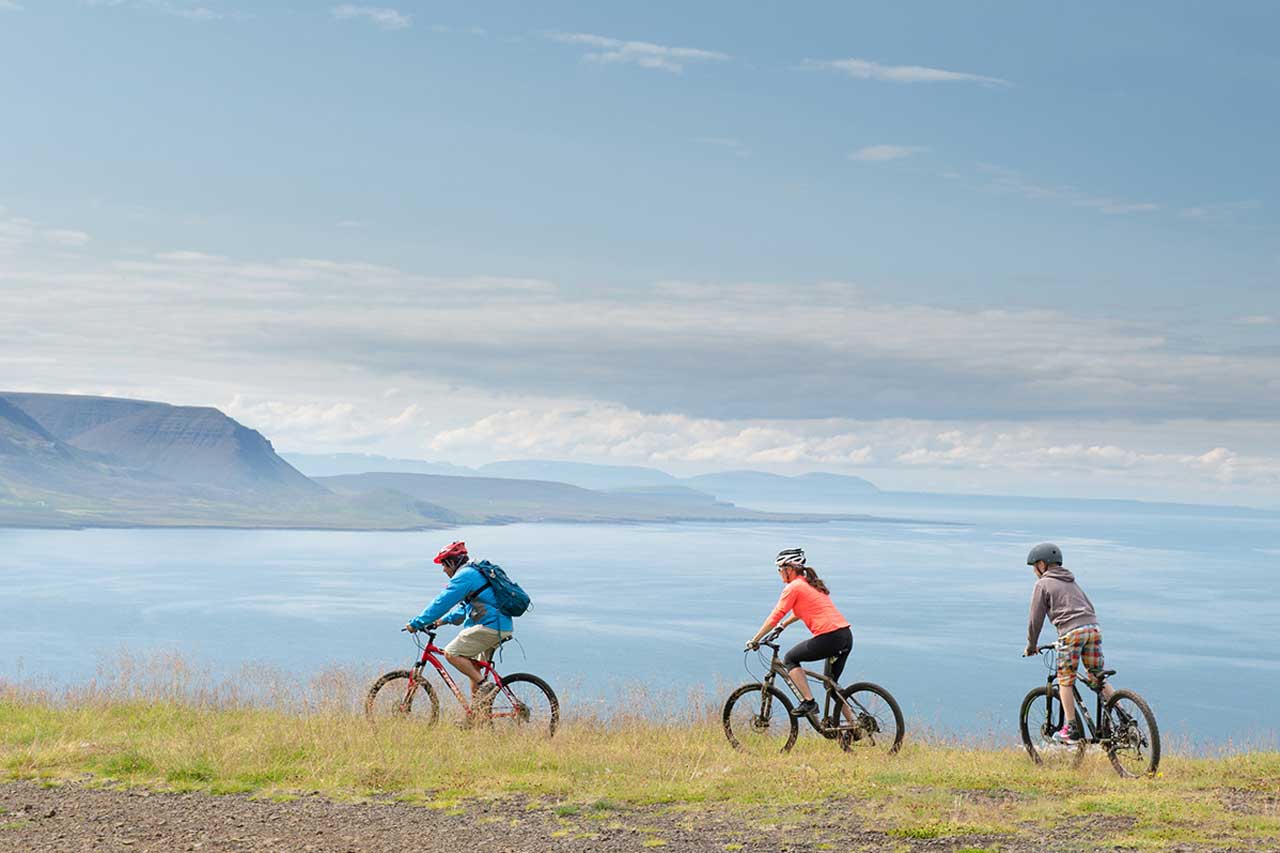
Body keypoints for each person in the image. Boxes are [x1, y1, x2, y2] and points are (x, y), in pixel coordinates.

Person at [744, 548, 853, 718]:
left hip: (830, 637)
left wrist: (755, 639)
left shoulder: (794, 587)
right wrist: (784, 625)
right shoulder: (809, 584)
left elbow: (775, 615)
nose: (779, 573)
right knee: (831, 686)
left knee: (790, 659)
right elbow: (802, 610)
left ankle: (809, 702)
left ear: (790, 569)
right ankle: (856, 726)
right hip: (844, 636)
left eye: (780, 569)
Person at [1023, 542, 1111, 745]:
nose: (1034, 571)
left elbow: (1035, 620)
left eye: (1034, 566)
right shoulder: (1071, 581)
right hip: (1093, 629)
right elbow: (1088, 606)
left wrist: (1031, 645)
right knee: (1097, 677)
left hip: (1071, 633)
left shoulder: (1042, 584)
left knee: (1065, 680)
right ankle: (1121, 713)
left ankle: (1071, 727)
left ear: (1042, 564)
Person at [406, 541, 513, 704]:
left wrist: (417, 623)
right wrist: (440, 622)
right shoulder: (473, 573)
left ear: (451, 562)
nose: (443, 570)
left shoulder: (464, 576)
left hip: (490, 626)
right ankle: (477, 718)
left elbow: (441, 602)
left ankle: (486, 685)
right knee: (473, 669)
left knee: (451, 653)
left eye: (444, 565)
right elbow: (463, 610)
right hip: (499, 626)